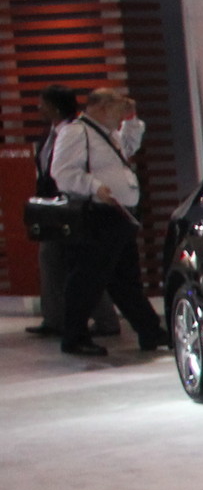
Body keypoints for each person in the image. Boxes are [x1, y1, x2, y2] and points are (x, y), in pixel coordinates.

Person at [49, 85, 166, 357]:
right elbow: (62, 172)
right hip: (97, 215)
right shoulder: (76, 132)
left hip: (117, 215)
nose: (120, 116)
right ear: (101, 108)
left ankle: (149, 330)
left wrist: (132, 120)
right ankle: (74, 336)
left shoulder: (107, 133)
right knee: (87, 278)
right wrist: (94, 186)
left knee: (124, 278)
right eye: (117, 110)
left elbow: (129, 147)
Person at [25, 86, 116, 341]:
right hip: (53, 208)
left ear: (54, 107)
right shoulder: (50, 134)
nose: (39, 108)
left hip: (74, 207)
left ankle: (104, 320)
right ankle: (55, 319)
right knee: (52, 261)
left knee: (80, 265)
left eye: (42, 103)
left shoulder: (76, 132)